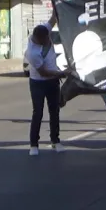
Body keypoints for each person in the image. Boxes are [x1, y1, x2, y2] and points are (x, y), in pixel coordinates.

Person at [26, 14, 67, 156]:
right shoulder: (33, 52)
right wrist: (61, 74)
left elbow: (53, 19)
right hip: (38, 83)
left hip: (52, 82)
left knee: (54, 111)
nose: (47, 41)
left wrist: (57, 2)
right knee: (37, 112)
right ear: (38, 39)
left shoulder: (44, 30)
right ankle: (34, 145)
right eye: (44, 40)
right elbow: (43, 73)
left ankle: (55, 141)